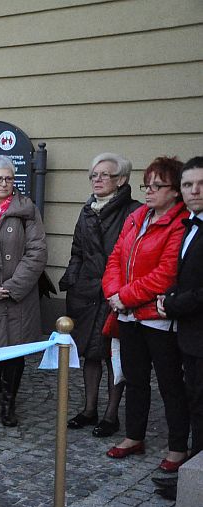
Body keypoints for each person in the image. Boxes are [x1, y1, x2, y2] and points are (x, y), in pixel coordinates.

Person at [102, 156, 189, 472]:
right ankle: (133, 436)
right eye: (147, 185)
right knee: (134, 378)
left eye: (158, 185)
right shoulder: (137, 217)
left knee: (170, 383)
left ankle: (179, 447)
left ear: (175, 191)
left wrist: (124, 296)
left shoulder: (180, 223)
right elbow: (115, 259)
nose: (150, 191)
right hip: (127, 315)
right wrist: (113, 293)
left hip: (157, 316)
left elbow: (167, 273)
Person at [59, 153, 141, 436]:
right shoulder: (87, 210)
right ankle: (89, 409)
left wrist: (122, 292)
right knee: (90, 354)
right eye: (94, 175)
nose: (97, 179)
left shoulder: (134, 211)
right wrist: (72, 282)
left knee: (113, 354)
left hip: (116, 294)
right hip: (86, 293)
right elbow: (78, 252)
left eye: (104, 175)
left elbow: (133, 257)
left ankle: (111, 415)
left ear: (121, 180)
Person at [0, 155, 47, 427]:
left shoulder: (28, 210)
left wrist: (12, 287)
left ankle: (7, 404)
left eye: (9, 178)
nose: (4, 183)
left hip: (17, 298)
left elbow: (37, 252)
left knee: (14, 353)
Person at [154, 156, 203, 499]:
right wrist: (169, 295)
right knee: (195, 401)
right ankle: (192, 475)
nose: (194, 191)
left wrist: (171, 303)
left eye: (201, 184)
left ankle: (195, 484)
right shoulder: (189, 224)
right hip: (189, 334)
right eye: (188, 185)